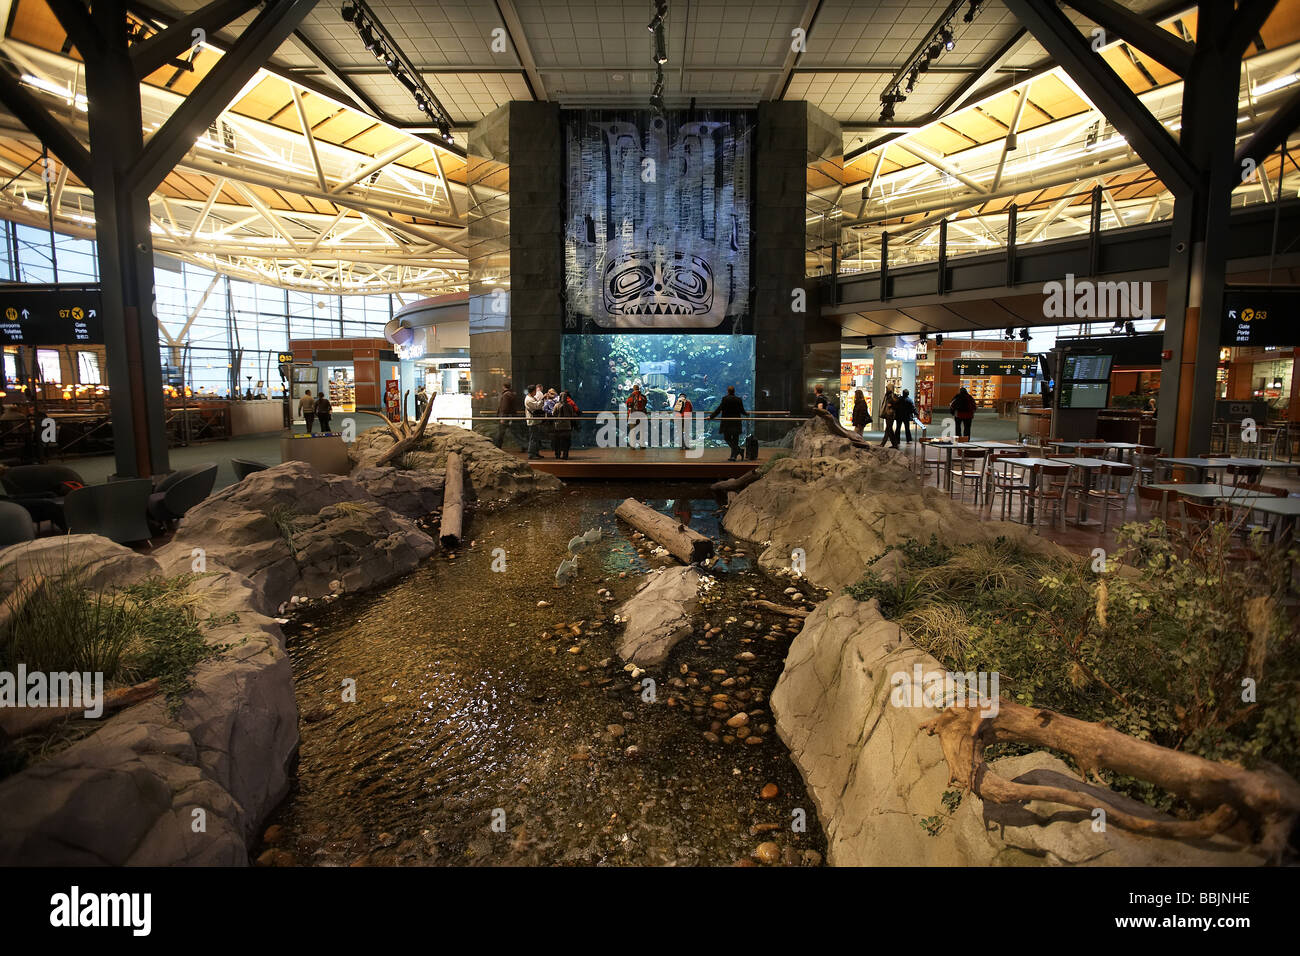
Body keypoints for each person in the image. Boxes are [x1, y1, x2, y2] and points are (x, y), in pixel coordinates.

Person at [708, 386, 746, 461]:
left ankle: (734, 455)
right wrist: (747, 414)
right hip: (736, 422)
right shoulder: (738, 399)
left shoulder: (725, 399)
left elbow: (719, 409)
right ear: (734, 391)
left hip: (727, 422)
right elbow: (742, 411)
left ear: (728, 391)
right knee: (735, 439)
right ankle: (737, 452)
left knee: (727, 438)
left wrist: (711, 417)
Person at [551, 389, 576, 460]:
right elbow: (571, 414)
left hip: (558, 426)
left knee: (557, 442)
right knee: (566, 442)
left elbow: (553, 414)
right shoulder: (569, 406)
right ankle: (565, 455)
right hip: (567, 426)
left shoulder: (556, 405)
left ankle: (557, 455)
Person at [494, 382, 518, 449]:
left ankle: (497, 446)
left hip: (505, 416)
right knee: (514, 433)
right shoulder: (511, 394)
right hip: (510, 416)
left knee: (501, 432)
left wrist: (502, 417)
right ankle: (523, 445)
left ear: (503, 386)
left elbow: (504, 407)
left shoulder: (506, 395)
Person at [525, 384, 545, 459]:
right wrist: (542, 399)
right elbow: (537, 406)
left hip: (535, 421)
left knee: (536, 438)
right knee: (533, 438)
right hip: (532, 421)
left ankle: (536, 453)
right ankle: (531, 454)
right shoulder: (528, 399)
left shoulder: (531, 397)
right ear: (533, 391)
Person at [626, 384, 648, 449]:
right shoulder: (643, 396)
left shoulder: (631, 396)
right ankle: (642, 445)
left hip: (633, 415)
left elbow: (628, 404)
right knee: (642, 430)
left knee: (632, 430)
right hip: (642, 415)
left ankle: (633, 445)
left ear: (633, 389)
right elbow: (645, 403)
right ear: (639, 389)